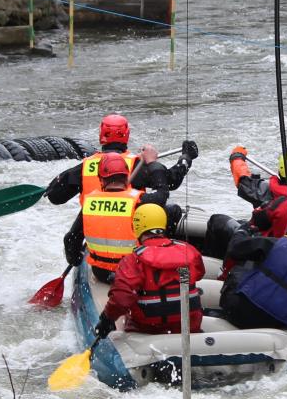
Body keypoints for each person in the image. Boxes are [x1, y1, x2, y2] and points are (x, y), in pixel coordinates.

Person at [94, 203, 206, 337]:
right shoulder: (188, 250)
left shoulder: (133, 260)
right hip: (189, 327)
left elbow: (121, 298)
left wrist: (107, 319)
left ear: (137, 226)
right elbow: (199, 273)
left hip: (148, 330)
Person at [44, 113, 199, 205]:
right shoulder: (137, 165)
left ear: (101, 136)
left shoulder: (84, 167)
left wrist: (56, 181)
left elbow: (56, 197)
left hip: (94, 229)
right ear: (127, 135)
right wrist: (186, 158)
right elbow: (171, 182)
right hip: (127, 230)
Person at [66, 151, 142, 280]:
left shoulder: (89, 203)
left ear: (101, 179)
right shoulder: (139, 201)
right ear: (126, 177)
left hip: (101, 273)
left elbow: (70, 238)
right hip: (131, 273)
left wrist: (76, 260)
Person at [228, 147, 287, 234]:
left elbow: (243, 180)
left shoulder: (267, 190)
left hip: (267, 241)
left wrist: (236, 157)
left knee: (221, 221)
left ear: (280, 170)